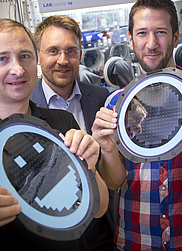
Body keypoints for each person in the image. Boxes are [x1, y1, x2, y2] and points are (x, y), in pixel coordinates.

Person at [0, 18, 109, 251]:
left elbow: (100, 208)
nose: (18, 69)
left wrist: (89, 167)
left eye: (25, 56)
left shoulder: (62, 121)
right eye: (2, 59)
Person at [92, 0, 182, 250]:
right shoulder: (115, 104)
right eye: (142, 33)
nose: (151, 44)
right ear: (130, 40)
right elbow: (114, 182)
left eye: (161, 32)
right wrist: (107, 148)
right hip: (136, 240)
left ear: (175, 37)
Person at [30, 15, 117, 250]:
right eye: (53, 51)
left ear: (80, 54)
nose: (63, 60)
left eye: (70, 51)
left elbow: (111, 166)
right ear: (38, 55)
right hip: (56, 233)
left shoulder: (101, 98)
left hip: (103, 227)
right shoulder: (26, 108)